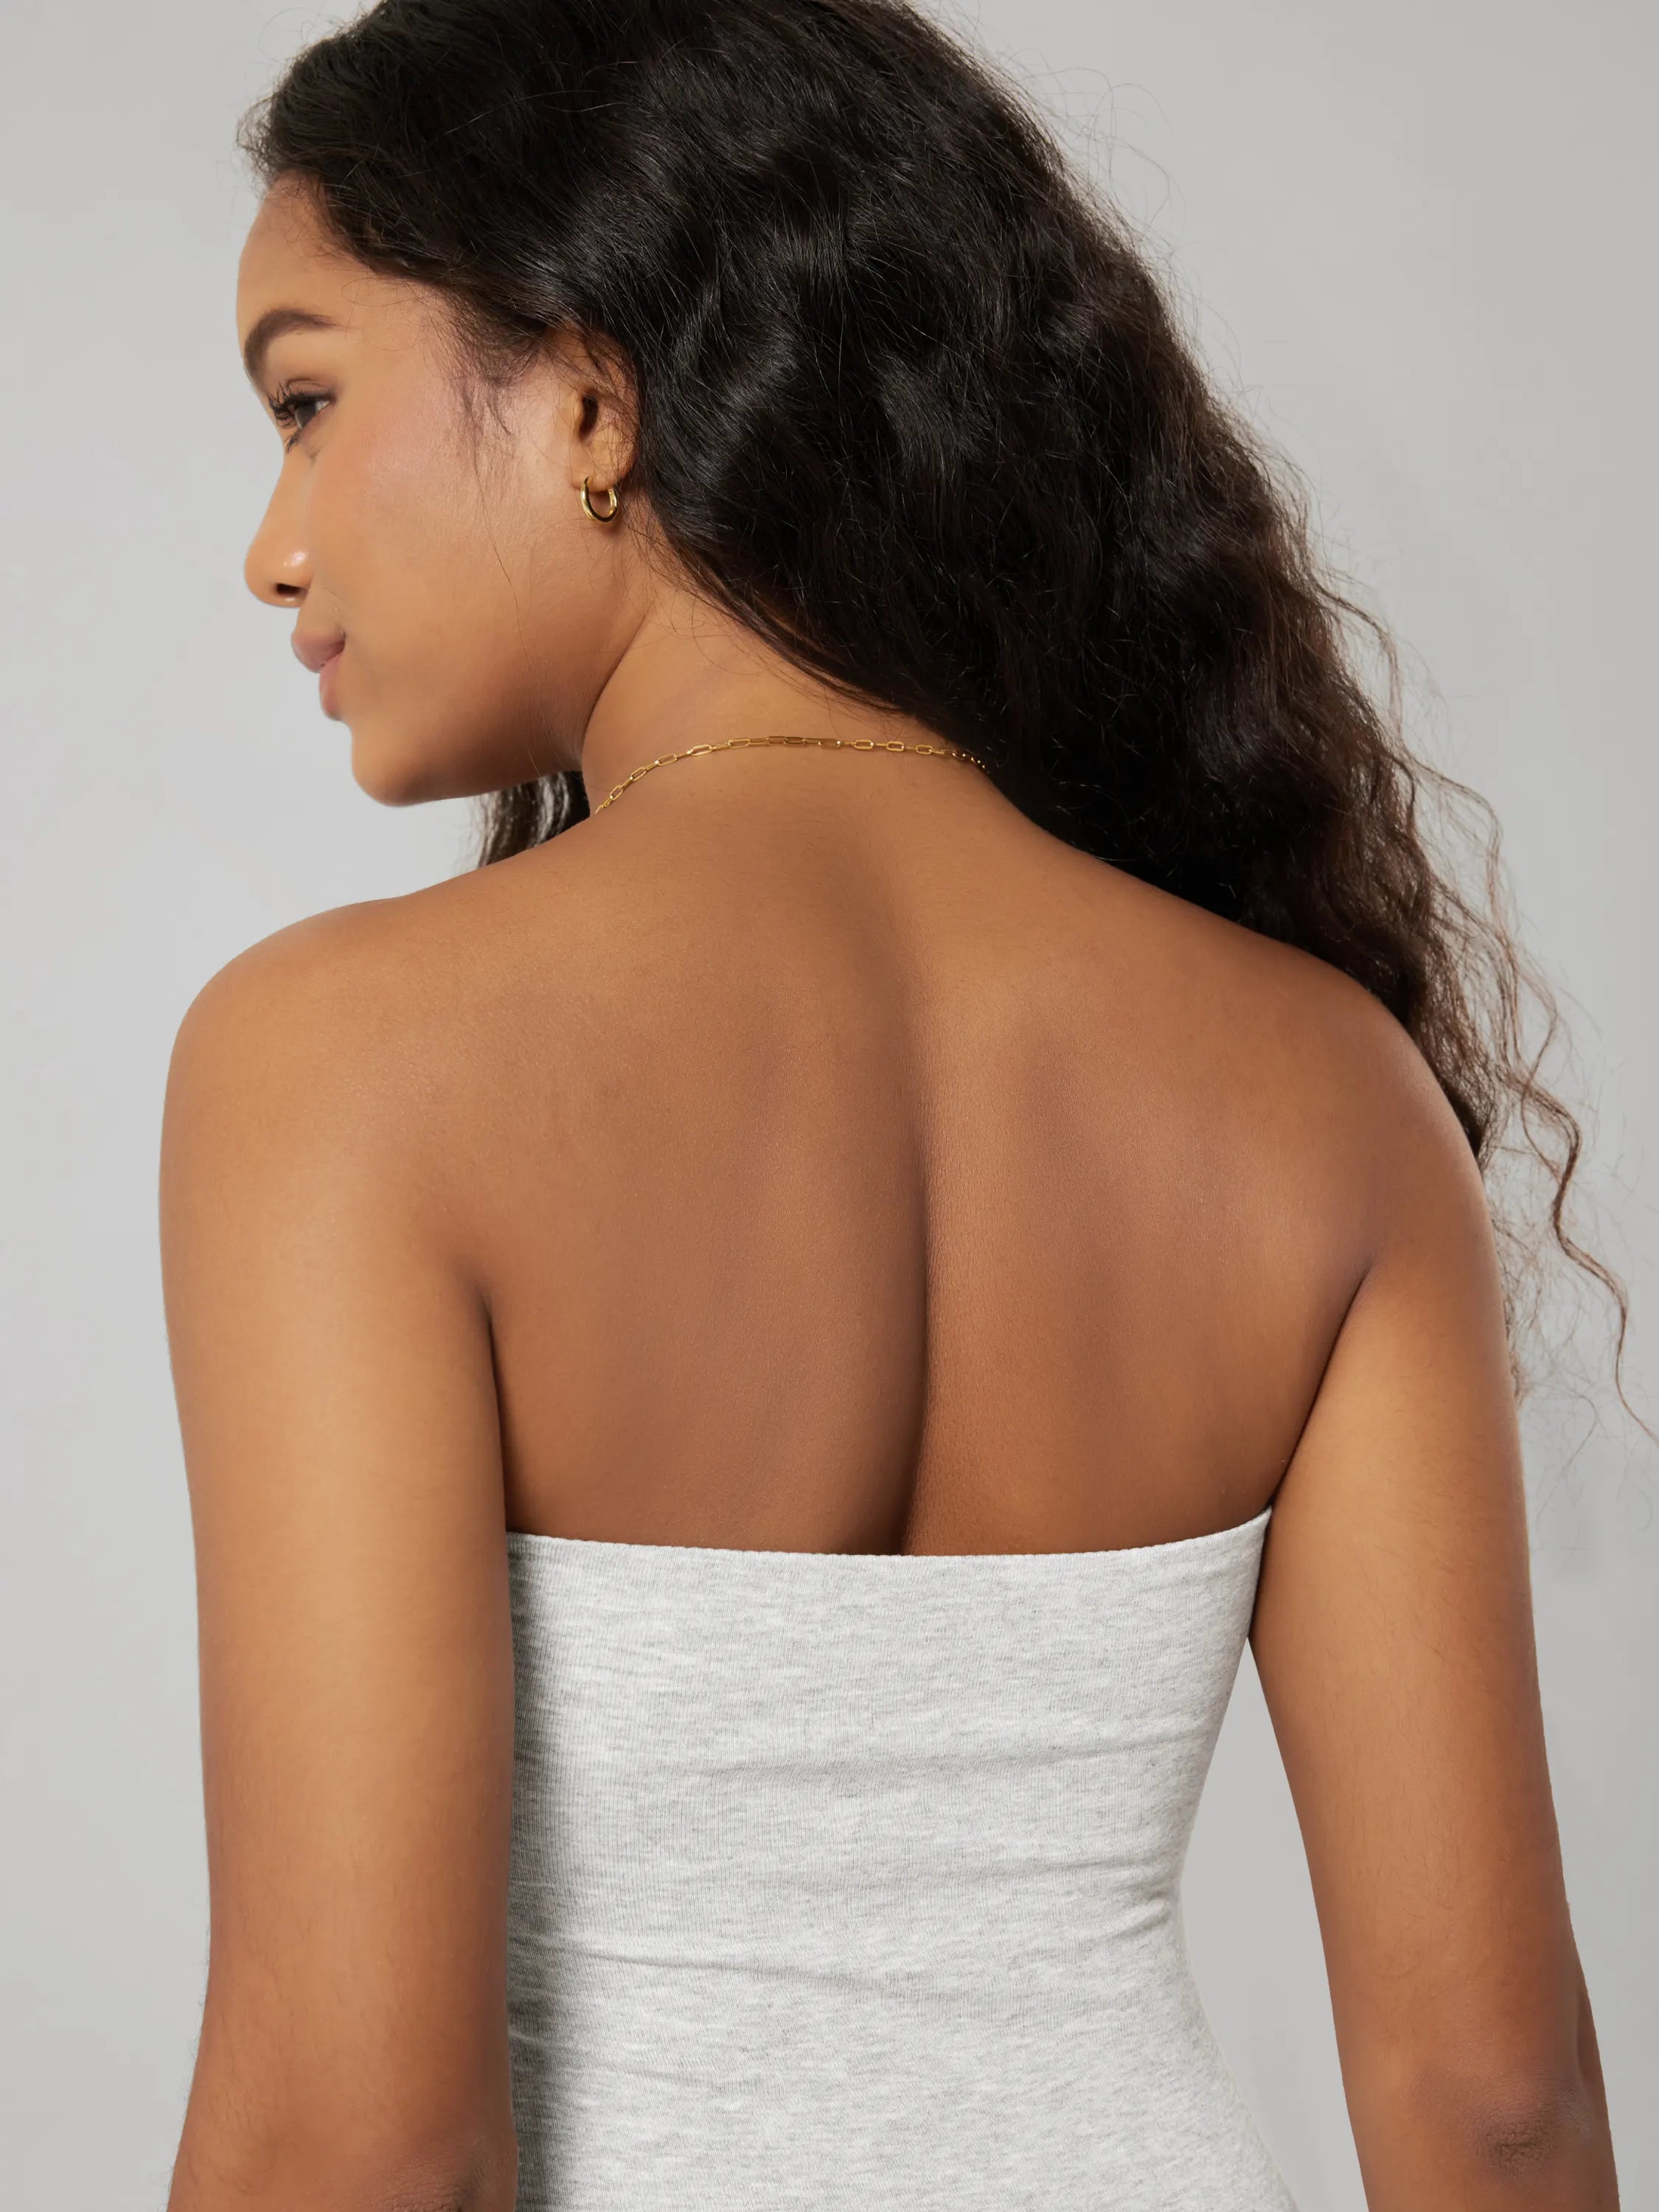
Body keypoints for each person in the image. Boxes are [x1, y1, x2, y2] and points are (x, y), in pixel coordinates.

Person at [159, 1, 1622, 2206]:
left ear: (588, 396)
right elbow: (1496, 2108)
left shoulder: (344, 1069)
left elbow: (352, 2146)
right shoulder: (1332, 1096)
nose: (274, 548)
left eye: (307, 402)